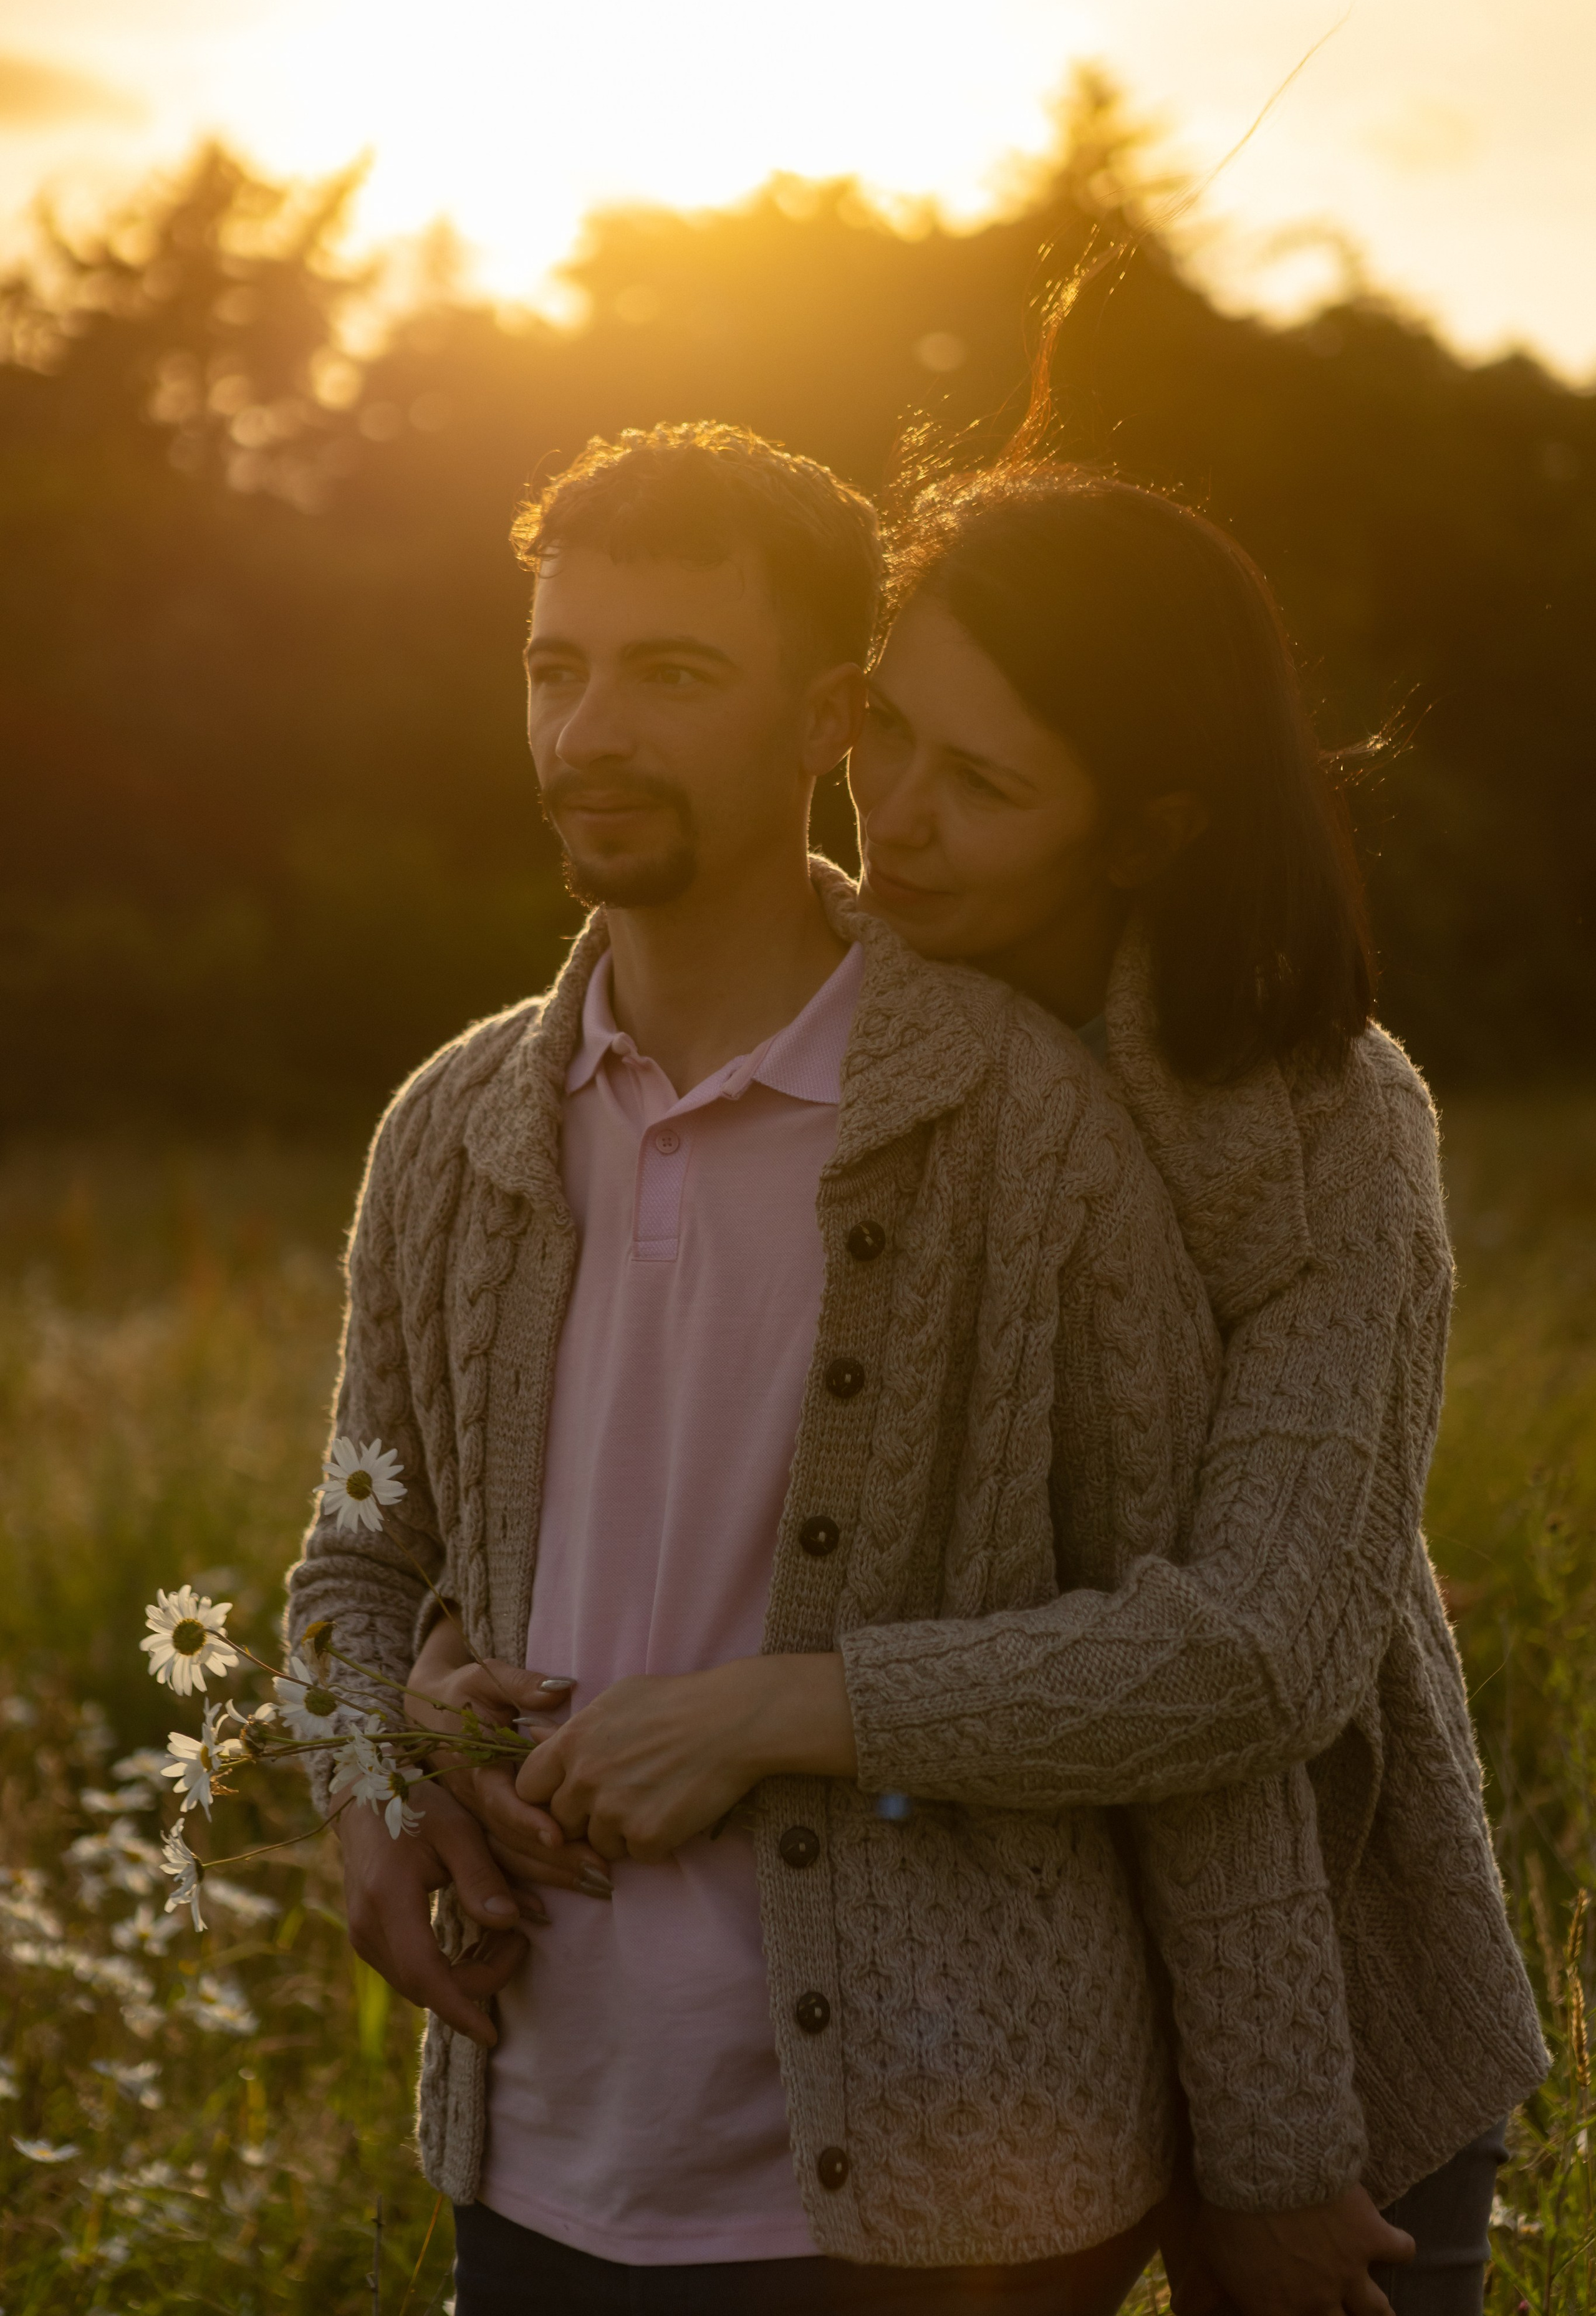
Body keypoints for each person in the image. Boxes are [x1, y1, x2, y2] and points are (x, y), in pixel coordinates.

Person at [287, 421, 1243, 2315]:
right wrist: (360, 1774)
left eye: (675, 673)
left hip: (952, 2192)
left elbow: (1188, 1665)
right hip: (543, 2143)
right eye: (558, 667)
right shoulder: (453, 1127)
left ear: (827, 721)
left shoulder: (1016, 1121)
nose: (590, 733)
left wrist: (791, 1706)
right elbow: (353, 1557)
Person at [845, 458, 1548, 2316]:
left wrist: (788, 1707)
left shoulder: (1326, 1124)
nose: (896, 822)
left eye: (982, 784)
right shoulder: (827, 1041)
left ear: (1145, 833)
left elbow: (1262, 1656)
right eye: (882, 732)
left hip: (1331, 1952)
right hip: (956, 1957)